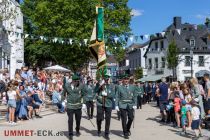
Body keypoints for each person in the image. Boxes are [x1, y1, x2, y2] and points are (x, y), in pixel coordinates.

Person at [61, 74, 87, 140]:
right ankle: (70, 134)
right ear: (73, 81)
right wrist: (63, 101)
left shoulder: (81, 85)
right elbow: (63, 93)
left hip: (78, 106)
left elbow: (84, 94)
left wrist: (84, 103)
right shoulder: (67, 85)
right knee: (70, 120)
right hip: (70, 106)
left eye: (78, 81)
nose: (77, 82)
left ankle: (77, 129)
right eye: (76, 81)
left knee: (78, 120)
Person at [95, 74, 115, 140]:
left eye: (107, 79)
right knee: (99, 118)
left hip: (108, 104)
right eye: (105, 79)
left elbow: (112, 94)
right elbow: (95, 91)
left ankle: (106, 133)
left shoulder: (112, 86)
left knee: (108, 119)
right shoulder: (100, 85)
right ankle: (99, 130)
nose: (106, 80)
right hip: (100, 103)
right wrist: (99, 85)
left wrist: (106, 94)